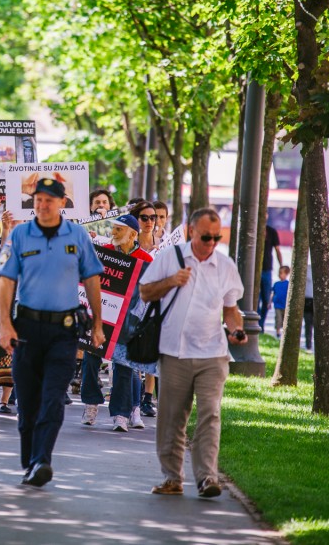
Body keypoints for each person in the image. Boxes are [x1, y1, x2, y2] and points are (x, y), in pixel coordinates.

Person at [0, 177, 105, 487]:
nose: (43, 205)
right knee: (28, 403)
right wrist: (4, 324)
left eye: (49, 200)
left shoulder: (77, 235)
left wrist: (97, 324)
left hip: (64, 331)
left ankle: (42, 459)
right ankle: (31, 460)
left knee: (53, 397)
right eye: (38, 199)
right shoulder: (19, 235)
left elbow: (93, 279)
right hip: (26, 329)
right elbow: (5, 281)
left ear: (62, 203)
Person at [139, 207, 247, 499]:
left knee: (210, 413)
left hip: (213, 353)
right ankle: (172, 478)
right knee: (172, 417)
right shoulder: (170, 257)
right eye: (205, 237)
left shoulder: (225, 267)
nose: (211, 243)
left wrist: (236, 330)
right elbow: (145, 291)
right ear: (190, 231)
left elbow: (231, 309)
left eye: (216, 237)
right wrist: (171, 281)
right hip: (174, 351)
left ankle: (207, 478)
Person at [81, 214, 152, 432]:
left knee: (123, 365)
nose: (113, 233)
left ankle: (120, 414)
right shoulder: (105, 254)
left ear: (132, 234)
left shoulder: (146, 260)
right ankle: (91, 403)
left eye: (118, 230)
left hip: (127, 322)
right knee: (90, 358)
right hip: (102, 317)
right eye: (112, 229)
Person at [129, 199, 160, 415]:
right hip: (132, 302)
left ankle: (147, 397)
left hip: (154, 303)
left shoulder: (164, 244)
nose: (149, 222)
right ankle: (133, 394)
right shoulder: (130, 242)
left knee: (151, 349)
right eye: (144, 218)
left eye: (153, 217)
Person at [258, 224, 283, 331]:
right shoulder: (253, 228)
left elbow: (277, 250)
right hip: (254, 270)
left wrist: (281, 266)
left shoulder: (272, 231)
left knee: (266, 300)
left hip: (267, 270)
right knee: (255, 299)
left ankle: (261, 324)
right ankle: (256, 324)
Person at [272, 266, 291, 337]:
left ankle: (284, 332)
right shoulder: (276, 284)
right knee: (278, 319)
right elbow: (273, 293)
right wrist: (269, 302)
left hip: (285, 305)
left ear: (286, 274)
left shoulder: (288, 284)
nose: (279, 275)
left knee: (284, 320)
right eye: (279, 273)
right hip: (277, 305)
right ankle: (277, 332)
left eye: (281, 273)